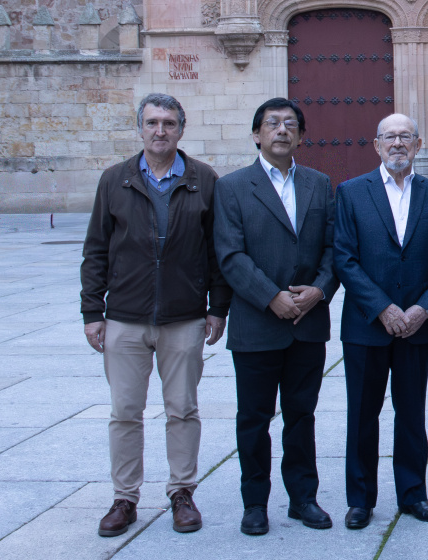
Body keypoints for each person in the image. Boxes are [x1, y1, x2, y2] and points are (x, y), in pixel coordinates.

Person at [81, 93, 227, 537]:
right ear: (140, 128)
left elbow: (217, 251)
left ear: (181, 129)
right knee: (125, 411)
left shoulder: (204, 180)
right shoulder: (115, 179)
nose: (159, 130)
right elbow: (96, 249)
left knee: (182, 409)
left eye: (168, 123)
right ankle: (124, 498)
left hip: (184, 317)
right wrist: (92, 310)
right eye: (152, 122)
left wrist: (217, 307)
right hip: (125, 317)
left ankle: (182, 492)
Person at [213, 97, 339, 535]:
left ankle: (303, 498)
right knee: (253, 419)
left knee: (301, 416)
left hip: (308, 324)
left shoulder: (319, 184)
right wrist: (271, 297)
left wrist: (320, 290)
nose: (281, 130)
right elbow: (230, 255)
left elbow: (333, 248)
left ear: (300, 136)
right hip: (256, 325)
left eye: (290, 124)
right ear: (256, 134)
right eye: (272, 123)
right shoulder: (232, 187)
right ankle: (255, 503)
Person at [333, 113, 428, 528]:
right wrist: (383, 308)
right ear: (376, 145)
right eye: (389, 137)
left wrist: (424, 309)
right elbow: (344, 258)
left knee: (411, 414)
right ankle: (360, 500)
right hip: (366, 325)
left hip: (418, 326)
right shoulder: (351, 192)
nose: (398, 143)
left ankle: (413, 494)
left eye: (406, 136)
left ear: (419, 145)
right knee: (362, 415)